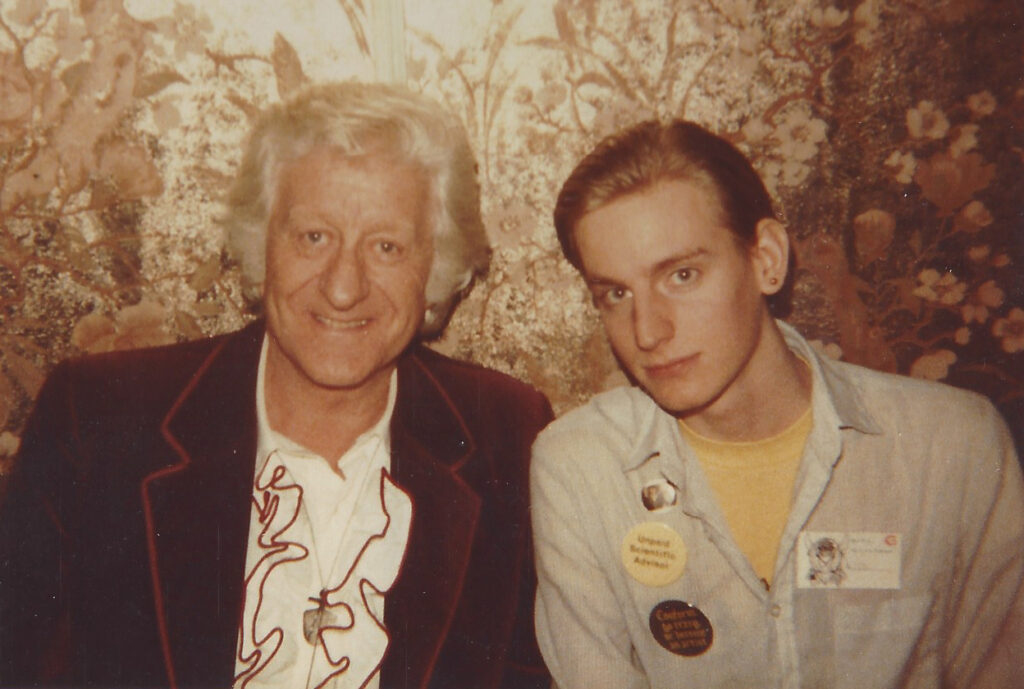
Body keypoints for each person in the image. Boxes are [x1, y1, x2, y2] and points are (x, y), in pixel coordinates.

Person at [0, 82, 552, 689]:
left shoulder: (509, 436)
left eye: (387, 246)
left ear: (437, 268)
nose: (344, 287)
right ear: (260, 246)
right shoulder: (99, 420)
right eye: (313, 237)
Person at [531, 119, 1024, 689]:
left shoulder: (952, 445)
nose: (647, 331)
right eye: (616, 294)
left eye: (682, 275)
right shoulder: (580, 469)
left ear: (766, 259)